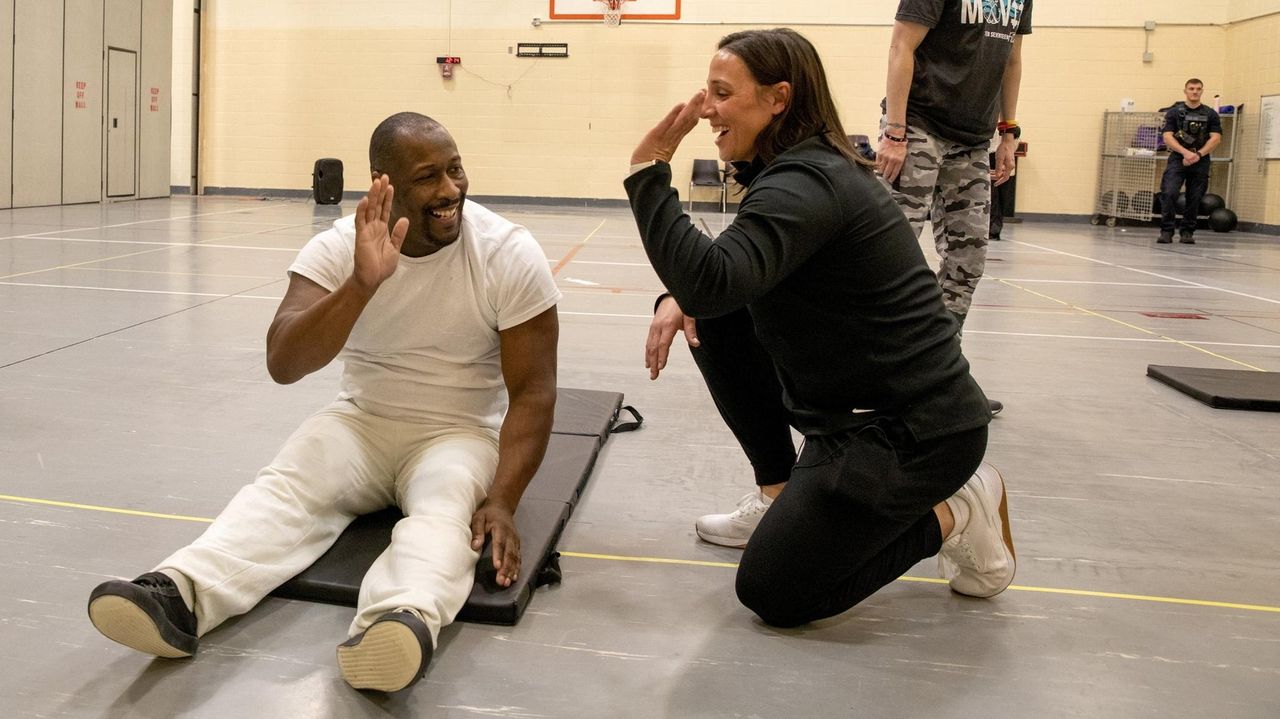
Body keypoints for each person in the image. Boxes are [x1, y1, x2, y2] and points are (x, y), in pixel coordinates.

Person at [86, 113, 561, 693]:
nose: (451, 190)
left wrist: (504, 498)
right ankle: (179, 594)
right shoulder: (339, 246)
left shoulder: (508, 252)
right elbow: (284, 361)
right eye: (429, 176)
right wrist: (361, 286)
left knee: (444, 511)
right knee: (286, 486)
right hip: (361, 420)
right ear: (383, 183)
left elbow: (534, 391)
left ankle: (397, 622)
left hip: (459, 431)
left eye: (455, 169)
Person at [630, 29, 1014, 627]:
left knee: (776, 592)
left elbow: (710, 279)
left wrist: (649, 170)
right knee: (711, 314)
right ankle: (777, 493)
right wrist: (680, 296)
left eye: (722, 93)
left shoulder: (806, 183)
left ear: (778, 98)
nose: (707, 108)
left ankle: (959, 508)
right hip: (845, 417)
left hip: (913, 432)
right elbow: (721, 282)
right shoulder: (794, 172)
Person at [878, 0, 1032, 416]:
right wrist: (895, 130)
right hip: (919, 127)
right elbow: (900, 47)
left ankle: (938, 376)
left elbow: (1011, 58)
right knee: (889, 257)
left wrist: (1008, 130)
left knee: (968, 260)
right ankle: (873, 374)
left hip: (973, 139)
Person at [1158, 79, 1222, 245]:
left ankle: (1187, 232)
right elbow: (1167, 136)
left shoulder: (1210, 114)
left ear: (1202, 91)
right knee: (1170, 193)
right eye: (1191, 89)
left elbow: (1215, 138)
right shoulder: (1174, 113)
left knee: (1194, 197)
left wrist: (1198, 155)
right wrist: (1186, 153)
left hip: (1200, 160)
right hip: (1178, 158)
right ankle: (1166, 231)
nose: (1195, 92)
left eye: (1198, 89)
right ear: (1185, 91)